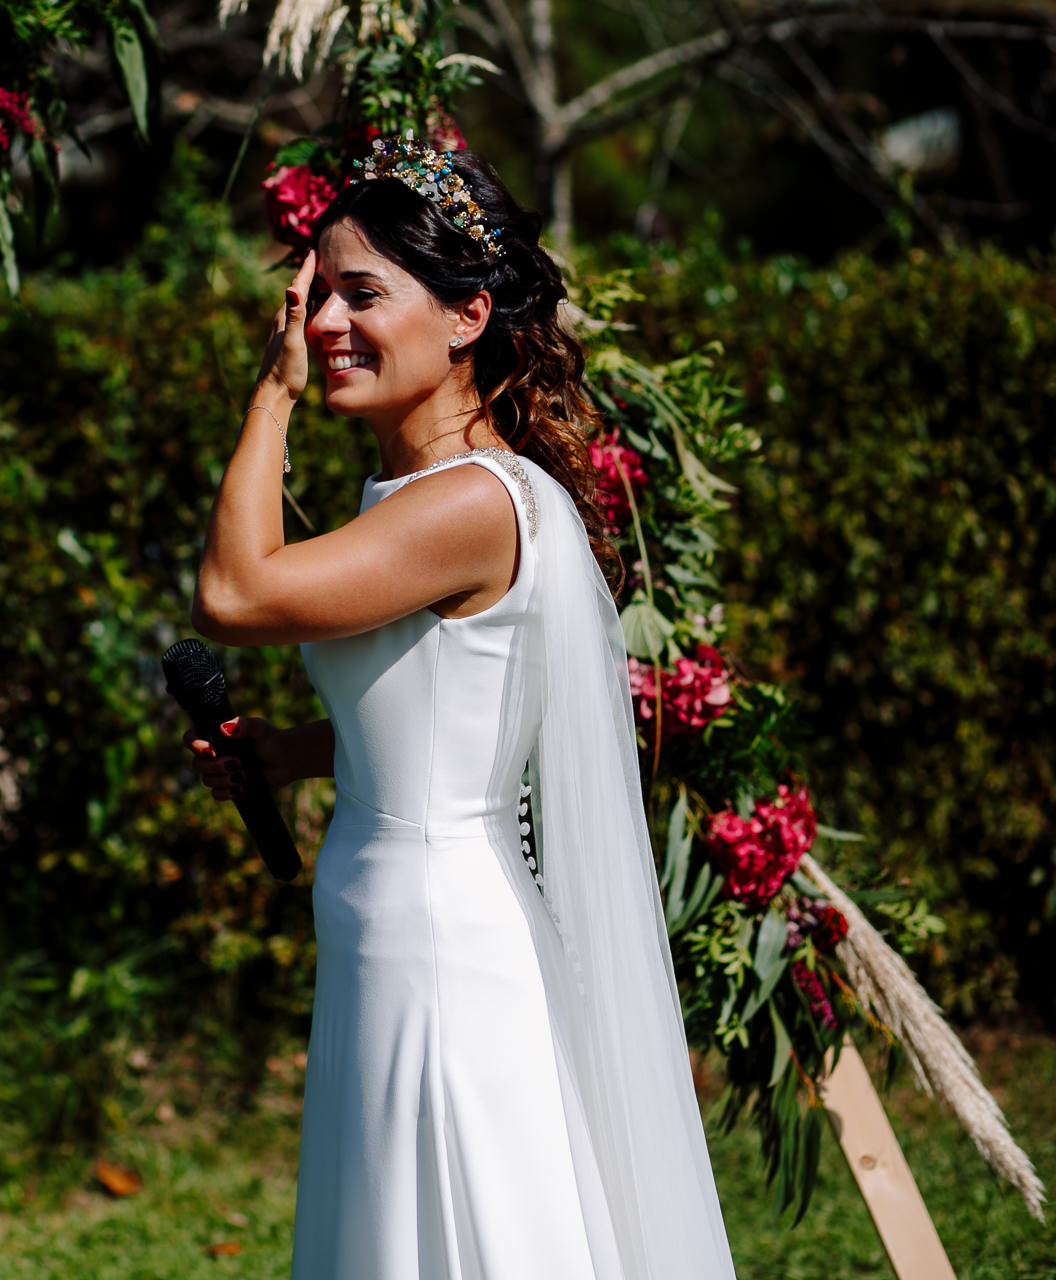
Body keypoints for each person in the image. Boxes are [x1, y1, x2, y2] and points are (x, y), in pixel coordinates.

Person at [186, 141, 736, 1280]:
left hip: (441, 943)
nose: (324, 320)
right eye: (316, 291)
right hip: (387, 926)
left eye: (361, 293)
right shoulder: (415, 493)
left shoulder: (474, 502)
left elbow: (238, 593)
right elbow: (434, 718)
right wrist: (289, 750)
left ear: (469, 314)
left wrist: (274, 390)